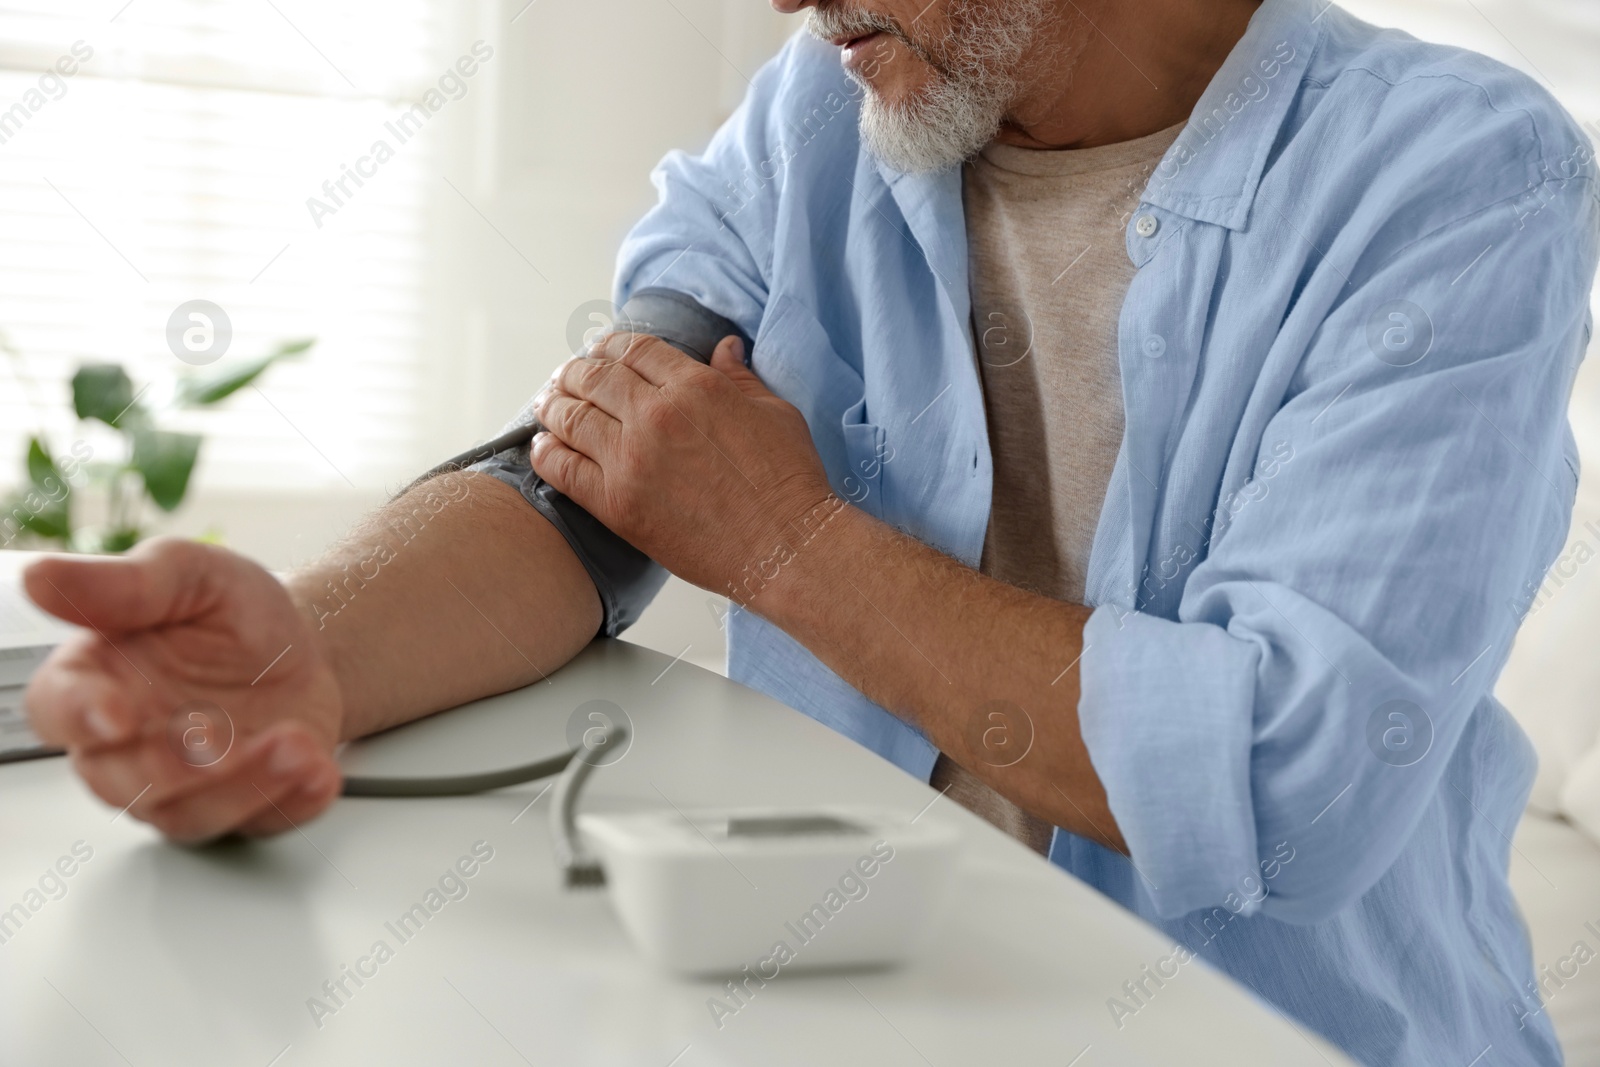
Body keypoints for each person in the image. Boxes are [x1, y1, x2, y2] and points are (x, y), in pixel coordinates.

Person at [22, 0, 1597, 1062]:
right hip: (859, 1005)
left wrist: (785, 549)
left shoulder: (1460, 176)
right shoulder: (818, 121)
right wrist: (304, 653)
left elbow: (1283, 787)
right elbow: (581, 490)